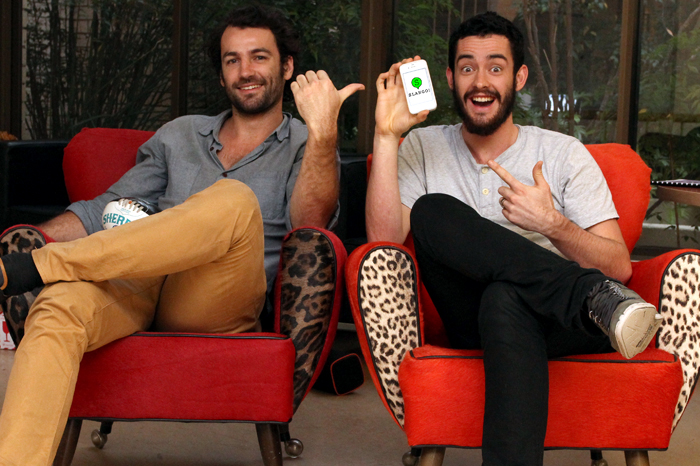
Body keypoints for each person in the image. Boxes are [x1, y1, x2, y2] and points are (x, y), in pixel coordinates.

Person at [0, 4, 363, 464]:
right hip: (137, 283)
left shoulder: (306, 144)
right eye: (232, 60)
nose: (245, 71)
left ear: (287, 67)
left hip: (216, 296)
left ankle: (40, 267)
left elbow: (310, 223)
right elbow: (102, 210)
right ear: (221, 75)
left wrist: (324, 131)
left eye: (259, 57)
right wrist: (40, 237)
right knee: (57, 308)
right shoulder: (179, 135)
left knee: (233, 200)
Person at [366, 11, 661, 466]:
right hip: (473, 314)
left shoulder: (563, 153)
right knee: (432, 210)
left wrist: (552, 224)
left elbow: (618, 266)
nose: (480, 82)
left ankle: (586, 298)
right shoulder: (423, 146)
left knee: (504, 298)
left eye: (495, 67)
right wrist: (387, 136)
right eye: (467, 67)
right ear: (450, 78)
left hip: (563, 326)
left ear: (519, 78)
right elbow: (383, 244)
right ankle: (590, 295)